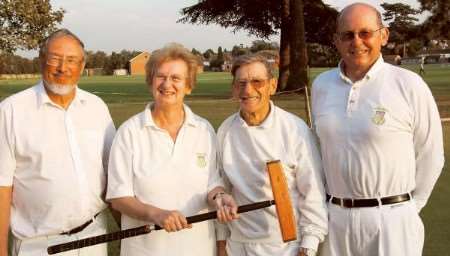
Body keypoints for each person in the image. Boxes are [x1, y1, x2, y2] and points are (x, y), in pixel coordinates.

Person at [311, 3, 444, 256]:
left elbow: (431, 155)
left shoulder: (409, 84)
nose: (356, 42)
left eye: (365, 33)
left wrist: (407, 210)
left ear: (383, 36)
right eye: (347, 35)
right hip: (336, 221)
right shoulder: (322, 85)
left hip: (392, 222)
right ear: (336, 41)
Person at [106, 44, 239, 256]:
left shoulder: (204, 130)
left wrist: (220, 197)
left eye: (176, 78)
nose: (167, 84)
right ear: (151, 81)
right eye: (161, 76)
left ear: (188, 86)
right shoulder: (129, 132)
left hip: (199, 249)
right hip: (145, 251)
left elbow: (212, 184)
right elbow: (118, 197)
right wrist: (156, 214)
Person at [0, 29, 116, 256]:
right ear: (42, 60)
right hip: (38, 246)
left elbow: (114, 173)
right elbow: (1, 188)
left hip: (94, 238)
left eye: (72, 60)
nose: (63, 68)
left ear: (82, 66)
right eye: (55, 58)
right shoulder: (11, 111)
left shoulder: (96, 107)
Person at [216, 54, 328, 256]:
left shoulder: (294, 129)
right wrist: (222, 243)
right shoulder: (225, 130)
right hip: (238, 246)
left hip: (285, 247)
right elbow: (222, 189)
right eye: (241, 83)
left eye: (257, 82)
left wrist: (309, 245)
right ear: (234, 88)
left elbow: (312, 192)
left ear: (272, 85)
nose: (248, 90)